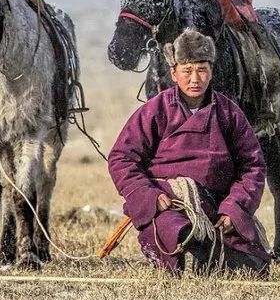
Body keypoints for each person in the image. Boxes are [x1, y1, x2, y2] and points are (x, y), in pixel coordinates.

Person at [108, 28, 270, 276]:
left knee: (253, 262)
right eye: (187, 70)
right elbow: (122, 158)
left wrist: (235, 209)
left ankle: (209, 254)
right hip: (170, 202)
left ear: (211, 71)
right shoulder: (155, 109)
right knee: (175, 232)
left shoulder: (228, 113)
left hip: (216, 206)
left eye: (202, 69)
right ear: (174, 73)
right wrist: (148, 196)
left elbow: (252, 165)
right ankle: (190, 254)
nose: (195, 79)